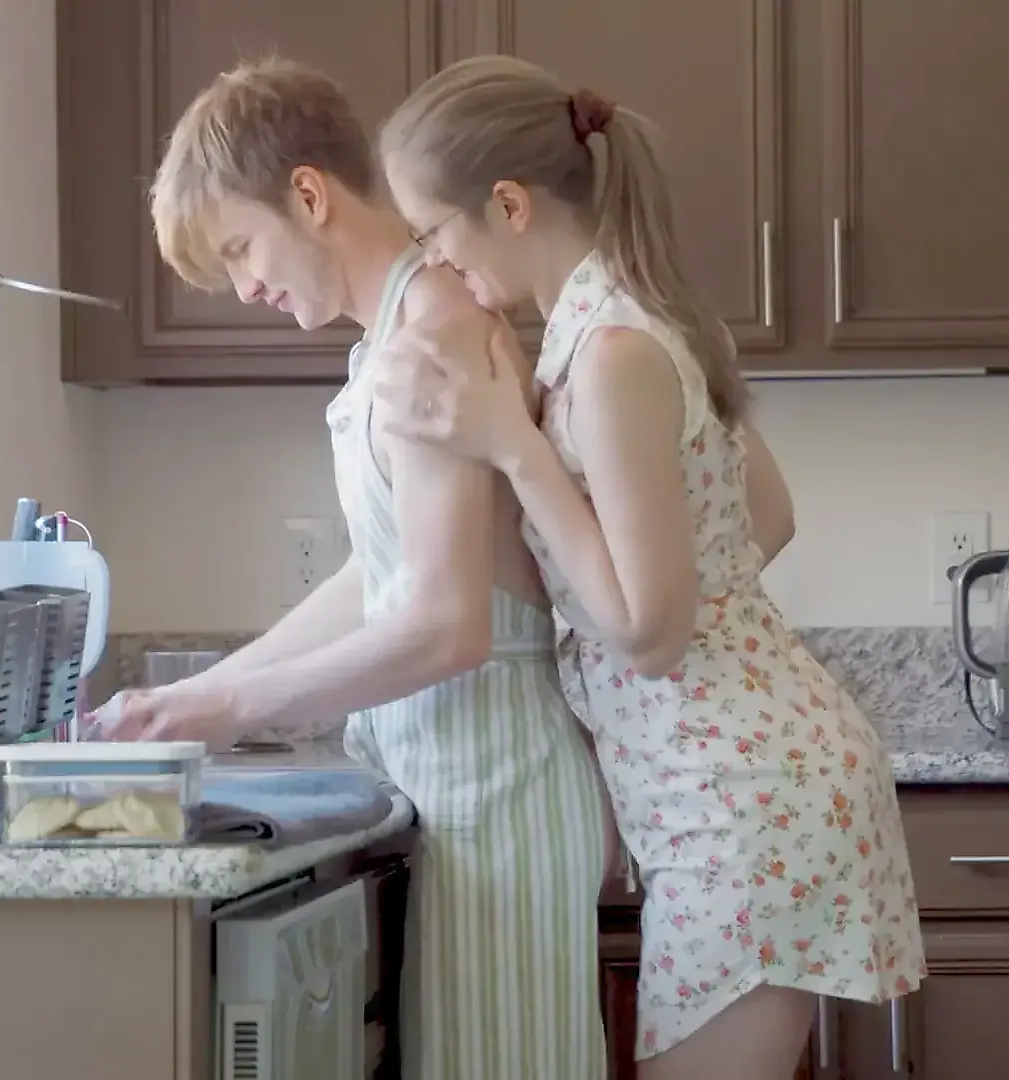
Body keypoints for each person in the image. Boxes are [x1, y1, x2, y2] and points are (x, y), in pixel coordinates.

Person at [367, 55, 928, 1080]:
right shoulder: (626, 321)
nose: (433, 261)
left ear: (508, 205)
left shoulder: (613, 355)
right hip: (746, 783)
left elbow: (652, 633)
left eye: (433, 231)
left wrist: (515, 450)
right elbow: (766, 516)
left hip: (744, 800)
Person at [94, 56, 611, 1080]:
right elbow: (378, 582)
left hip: (499, 790)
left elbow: (447, 627)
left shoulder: (434, 336)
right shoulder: (388, 343)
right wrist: (194, 696)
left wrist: (227, 708)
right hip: (454, 785)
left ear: (308, 193)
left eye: (241, 248)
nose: (246, 287)